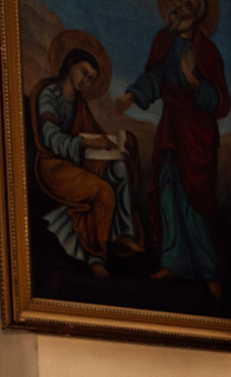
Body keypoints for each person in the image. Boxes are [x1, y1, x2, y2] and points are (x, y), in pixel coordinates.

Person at [124, 0, 228, 296]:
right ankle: (173, 261)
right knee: (168, 189)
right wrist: (132, 96)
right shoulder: (165, 42)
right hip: (171, 128)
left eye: (189, 4)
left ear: (198, 13)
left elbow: (221, 101)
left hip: (197, 133)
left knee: (196, 201)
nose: (181, 8)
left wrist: (195, 82)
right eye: (178, 2)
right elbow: (156, 78)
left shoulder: (207, 51)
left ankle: (210, 270)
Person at [32, 46, 142, 276]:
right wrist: (85, 144)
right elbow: (50, 138)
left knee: (119, 169)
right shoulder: (49, 95)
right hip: (53, 165)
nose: (86, 81)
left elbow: (92, 133)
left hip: (76, 161)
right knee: (103, 191)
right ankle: (95, 255)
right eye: (84, 72)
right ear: (70, 64)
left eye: (91, 79)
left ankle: (121, 233)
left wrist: (118, 142)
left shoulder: (79, 103)